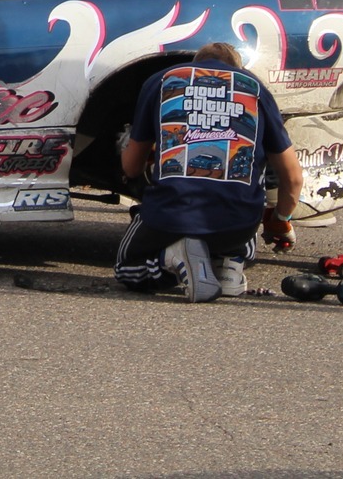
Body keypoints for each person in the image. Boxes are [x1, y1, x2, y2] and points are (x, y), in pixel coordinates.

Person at [116, 41, 303, 302]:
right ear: (236, 69)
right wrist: (281, 218)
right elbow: (293, 177)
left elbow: (131, 168)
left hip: (170, 217)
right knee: (250, 174)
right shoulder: (255, 87)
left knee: (127, 269)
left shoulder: (162, 80)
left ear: (195, 65)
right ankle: (228, 266)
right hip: (238, 225)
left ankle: (171, 257)